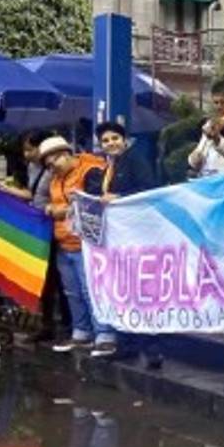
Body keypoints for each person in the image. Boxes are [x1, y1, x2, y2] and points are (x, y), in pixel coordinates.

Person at [87, 121, 162, 367]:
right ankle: (126, 343)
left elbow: (149, 190)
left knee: (141, 292)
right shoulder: (110, 165)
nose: (111, 144)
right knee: (122, 292)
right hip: (118, 238)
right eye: (105, 141)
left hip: (137, 236)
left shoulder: (135, 160)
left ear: (124, 139)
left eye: (114, 138)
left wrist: (119, 198)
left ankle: (152, 349)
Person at [37, 136, 111, 355]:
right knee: (73, 292)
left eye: (52, 163)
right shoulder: (54, 179)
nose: (50, 168)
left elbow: (95, 201)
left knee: (92, 291)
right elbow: (43, 203)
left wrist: (64, 210)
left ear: (65, 154)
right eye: (47, 165)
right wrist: (52, 209)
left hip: (86, 244)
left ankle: (104, 335)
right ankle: (82, 333)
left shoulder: (90, 170)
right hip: (63, 242)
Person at [0, 130, 69, 341]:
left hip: (53, 224)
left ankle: (66, 323)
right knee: (43, 277)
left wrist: (8, 191)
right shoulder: (33, 167)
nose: (27, 154)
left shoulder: (54, 170)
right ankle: (47, 323)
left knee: (59, 277)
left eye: (30, 149)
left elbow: (39, 196)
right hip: (36, 223)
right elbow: (32, 193)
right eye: (25, 150)